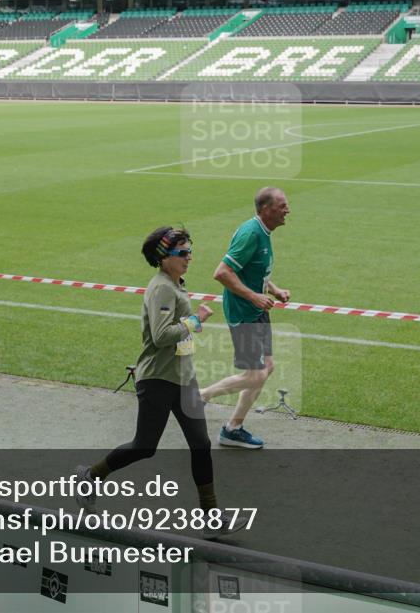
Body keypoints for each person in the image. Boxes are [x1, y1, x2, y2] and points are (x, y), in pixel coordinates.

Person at [74, 226, 246, 538]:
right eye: (182, 253)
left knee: (201, 443)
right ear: (164, 258)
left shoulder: (177, 284)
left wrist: (189, 336)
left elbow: (176, 336)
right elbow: (161, 335)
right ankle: (90, 476)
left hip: (184, 380)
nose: (189, 257)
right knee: (144, 446)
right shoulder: (162, 289)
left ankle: (211, 517)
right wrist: (196, 321)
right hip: (158, 380)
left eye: (190, 250)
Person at [199, 187, 291, 449]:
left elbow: (252, 268)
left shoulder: (263, 232)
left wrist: (273, 290)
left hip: (257, 310)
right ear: (265, 209)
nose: (288, 210)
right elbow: (222, 272)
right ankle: (199, 396)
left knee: (265, 369)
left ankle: (233, 428)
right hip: (244, 313)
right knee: (255, 375)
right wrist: (254, 297)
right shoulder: (251, 233)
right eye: (282, 205)